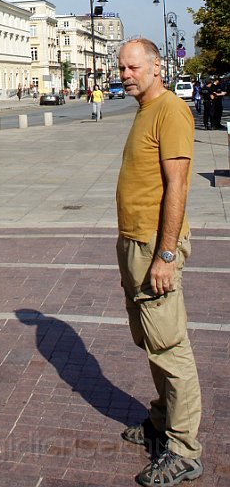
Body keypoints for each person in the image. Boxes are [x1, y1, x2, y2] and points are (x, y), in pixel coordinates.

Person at [116, 38, 202, 486]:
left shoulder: (170, 110)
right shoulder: (144, 109)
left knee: (170, 346)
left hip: (155, 247)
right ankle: (163, 419)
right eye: (122, 68)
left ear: (156, 67)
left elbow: (178, 186)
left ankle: (184, 450)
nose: (125, 74)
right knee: (152, 340)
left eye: (133, 67)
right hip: (135, 243)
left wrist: (166, 255)